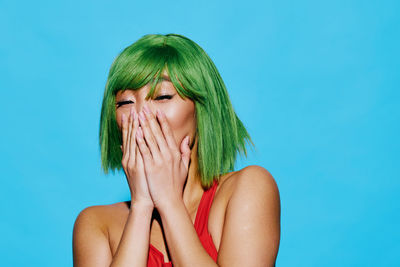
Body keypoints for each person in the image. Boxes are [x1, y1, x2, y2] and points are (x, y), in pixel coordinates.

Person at [73, 33, 281, 267]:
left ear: (202, 110)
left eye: (162, 96)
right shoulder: (95, 224)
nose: (141, 116)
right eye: (125, 103)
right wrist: (142, 205)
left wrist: (169, 201)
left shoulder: (249, 189)